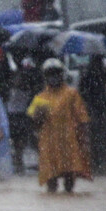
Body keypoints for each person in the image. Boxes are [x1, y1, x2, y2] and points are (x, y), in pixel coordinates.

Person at [27, 58, 91, 193]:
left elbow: (82, 118)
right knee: (51, 179)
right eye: (50, 73)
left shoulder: (71, 94)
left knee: (69, 177)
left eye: (56, 73)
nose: (53, 77)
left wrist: (85, 139)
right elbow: (34, 124)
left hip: (68, 141)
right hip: (49, 143)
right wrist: (39, 115)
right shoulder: (40, 97)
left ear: (61, 74)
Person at [78, 54, 106, 173]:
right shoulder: (90, 76)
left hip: (100, 109)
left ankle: (98, 159)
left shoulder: (94, 75)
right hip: (94, 109)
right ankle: (97, 159)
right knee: (97, 134)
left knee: (100, 135)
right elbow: (82, 93)